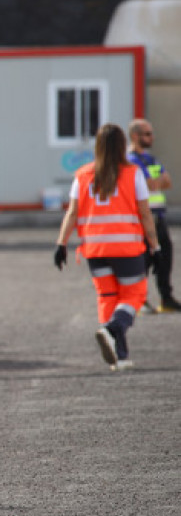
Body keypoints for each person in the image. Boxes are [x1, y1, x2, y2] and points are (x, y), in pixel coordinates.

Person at [55, 123, 160, 371]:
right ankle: (111, 329)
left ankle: (119, 355)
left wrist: (61, 243)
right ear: (123, 145)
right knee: (134, 295)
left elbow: (72, 213)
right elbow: (145, 215)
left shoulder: (82, 175)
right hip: (127, 248)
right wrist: (155, 246)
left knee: (108, 297)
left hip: (95, 250)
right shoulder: (133, 173)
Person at [127, 119, 179, 312]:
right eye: (147, 134)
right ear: (135, 136)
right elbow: (149, 184)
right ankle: (138, 300)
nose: (152, 137)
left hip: (159, 216)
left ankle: (166, 298)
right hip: (143, 218)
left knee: (165, 256)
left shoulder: (150, 159)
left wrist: (154, 180)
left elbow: (166, 182)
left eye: (151, 133)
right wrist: (154, 180)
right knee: (144, 260)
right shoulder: (131, 160)